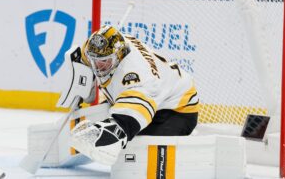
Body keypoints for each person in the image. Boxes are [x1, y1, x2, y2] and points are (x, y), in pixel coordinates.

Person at [70, 25, 199, 165]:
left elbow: (126, 123)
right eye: (94, 61)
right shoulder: (102, 47)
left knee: (134, 149)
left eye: (103, 62)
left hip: (176, 110)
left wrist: (110, 134)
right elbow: (83, 56)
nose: (97, 67)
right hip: (157, 94)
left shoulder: (137, 77)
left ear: (118, 56)